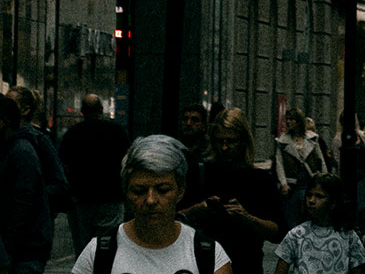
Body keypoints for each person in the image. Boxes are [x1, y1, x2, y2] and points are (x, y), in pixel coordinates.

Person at [70, 134, 232, 274]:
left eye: (162, 190)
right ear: (127, 192)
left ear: (180, 191)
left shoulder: (208, 255)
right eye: (139, 191)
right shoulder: (98, 253)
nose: (151, 200)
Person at [180, 108, 283, 274]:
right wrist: (199, 210)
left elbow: (277, 232)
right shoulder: (199, 173)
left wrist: (246, 218)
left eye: (231, 141)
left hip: (246, 264)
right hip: (204, 264)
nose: (225, 147)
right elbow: (176, 218)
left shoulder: (260, 179)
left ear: (243, 141)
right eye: (220, 141)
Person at [58, 94, 131, 256]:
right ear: (102, 110)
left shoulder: (72, 134)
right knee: (108, 246)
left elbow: (63, 165)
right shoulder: (117, 132)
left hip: (81, 199)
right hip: (111, 197)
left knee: (83, 248)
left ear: (82, 112)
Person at [274, 173, 365, 274]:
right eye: (309, 195)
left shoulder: (348, 235)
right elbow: (281, 269)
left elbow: (357, 270)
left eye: (319, 196)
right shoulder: (296, 234)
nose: (311, 200)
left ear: (333, 203)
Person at [0, 96, 52, 274]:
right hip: (20, 250)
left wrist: (7, 251)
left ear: (2, 122)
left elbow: (21, 206)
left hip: (23, 253)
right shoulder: (13, 149)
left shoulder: (20, 152)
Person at [7, 87, 70, 215]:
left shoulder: (39, 141)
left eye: (11, 104)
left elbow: (60, 184)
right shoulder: (10, 138)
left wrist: (32, 194)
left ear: (25, 110)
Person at [274, 107, 328, 229]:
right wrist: (283, 183)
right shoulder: (282, 141)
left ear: (298, 121)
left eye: (292, 119)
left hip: (310, 181)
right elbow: (279, 163)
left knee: (310, 215)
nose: (288, 122)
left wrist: (324, 179)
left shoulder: (312, 138)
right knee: (291, 218)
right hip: (292, 184)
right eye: (287, 119)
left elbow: (321, 160)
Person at [331, 114, 365, 234]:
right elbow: (336, 159)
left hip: (361, 176)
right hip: (346, 178)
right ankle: (350, 230)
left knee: (361, 207)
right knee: (348, 206)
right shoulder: (338, 138)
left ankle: (360, 231)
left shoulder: (363, 135)